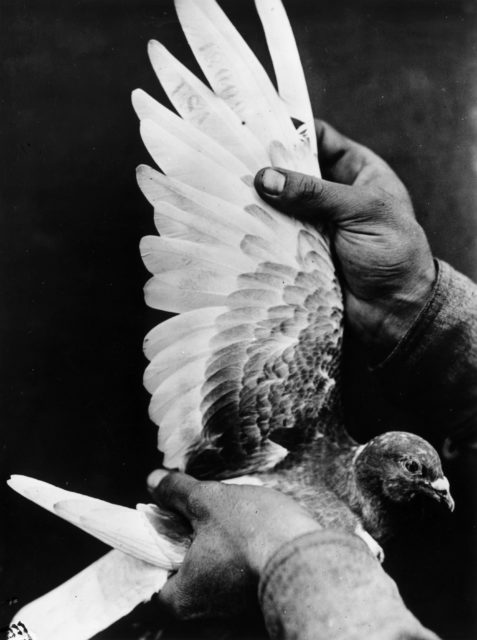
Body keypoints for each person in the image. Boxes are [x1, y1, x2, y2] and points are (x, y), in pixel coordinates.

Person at [147, 120, 477, 640]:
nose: (438, 486)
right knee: (312, 297)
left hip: (201, 545)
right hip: (180, 537)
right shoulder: (349, 505)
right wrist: (412, 296)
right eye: (418, 470)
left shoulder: (363, 534)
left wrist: (281, 556)